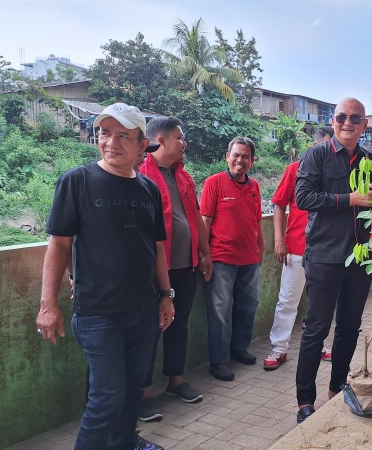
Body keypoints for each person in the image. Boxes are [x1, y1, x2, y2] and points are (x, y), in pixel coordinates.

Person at [36, 103, 173, 450]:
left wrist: (166, 295)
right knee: (106, 395)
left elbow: (156, 248)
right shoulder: (77, 181)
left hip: (142, 310)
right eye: (105, 133)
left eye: (123, 136)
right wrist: (47, 304)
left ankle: (125, 441)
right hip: (97, 312)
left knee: (132, 387)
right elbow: (59, 246)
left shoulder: (148, 189)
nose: (111, 142)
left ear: (143, 145)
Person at [294, 97, 372, 424]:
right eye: (342, 117)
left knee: (349, 327)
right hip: (324, 258)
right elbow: (303, 198)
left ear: (363, 125)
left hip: (359, 260)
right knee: (316, 329)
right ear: (334, 122)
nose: (348, 122)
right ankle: (304, 401)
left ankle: (336, 386)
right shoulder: (316, 155)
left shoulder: (371, 161)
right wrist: (350, 199)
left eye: (355, 118)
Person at [136, 117, 212, 422]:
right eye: (180, 138)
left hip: (185, 265)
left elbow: (194, 216)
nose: (184, 144)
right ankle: (143, 393)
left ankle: (176, 380)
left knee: (179, 324)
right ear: (161, 139)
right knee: (150, 331)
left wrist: (204, 252)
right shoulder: (140, 175)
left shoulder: (183, 176)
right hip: (155, 271)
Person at [264, 126, 334, 371]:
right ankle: (279, 348)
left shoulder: (336, 172)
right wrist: (279, 240)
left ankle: (321, 344)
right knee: (287, 300)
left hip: (326, 249)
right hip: (296, 247)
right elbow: (279, 205)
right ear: (314, 146)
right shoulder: (295, 169)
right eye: (324, 147)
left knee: (321, 302)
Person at [200, 136, 265, 381]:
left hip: (249, 259)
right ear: (227, 157)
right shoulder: (213, 183)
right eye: (236, 155)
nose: (240, 160)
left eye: (245, 156)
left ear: (252, 160)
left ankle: (239, 348)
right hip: (221, 259)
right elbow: (204, 222)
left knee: (248, 306)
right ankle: (218, 360)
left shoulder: (255, 187)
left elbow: (257, 220)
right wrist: (204, 255)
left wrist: (261, 247)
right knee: (219, 310)